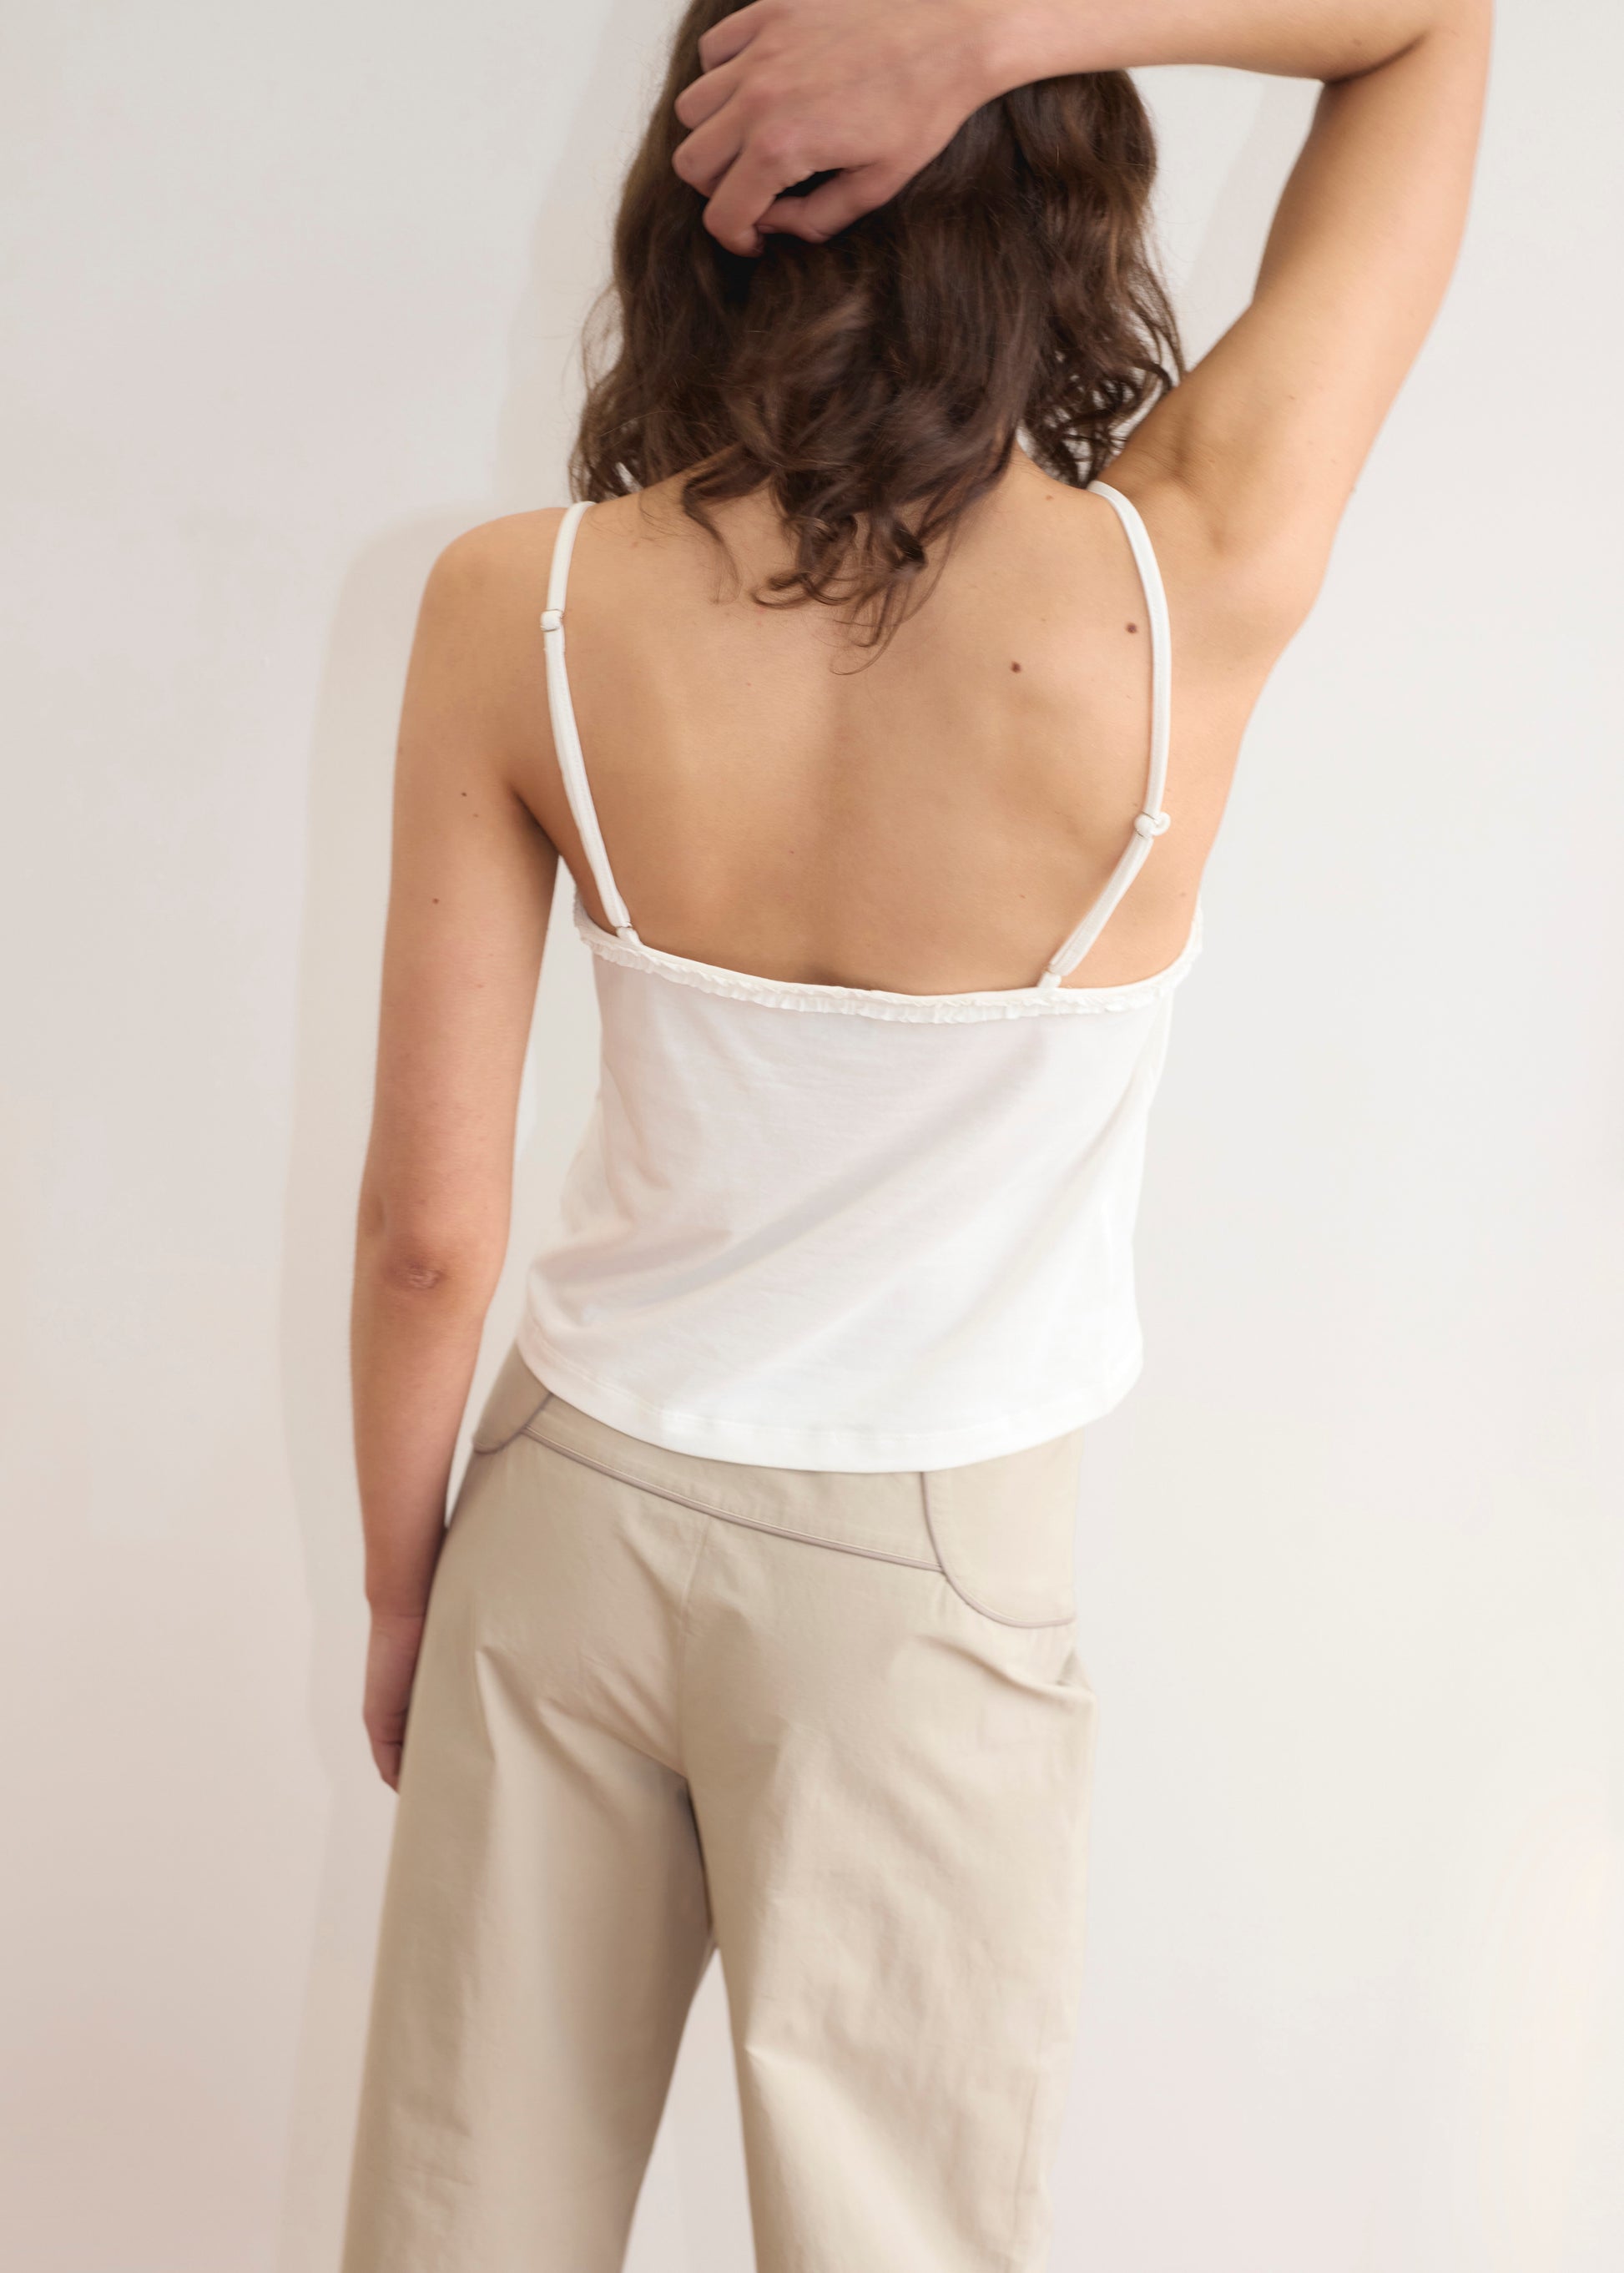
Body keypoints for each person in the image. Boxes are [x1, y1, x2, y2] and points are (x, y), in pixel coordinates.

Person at [340, 2, 1490, 2266]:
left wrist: (404, 1584)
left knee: (462, 2226)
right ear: (1053, 202)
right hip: (920, 1575)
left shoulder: (523, 605)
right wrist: (989, 34)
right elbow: (1427, 27)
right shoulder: (1184, 583)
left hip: (563, 1515)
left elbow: (424, 1237)